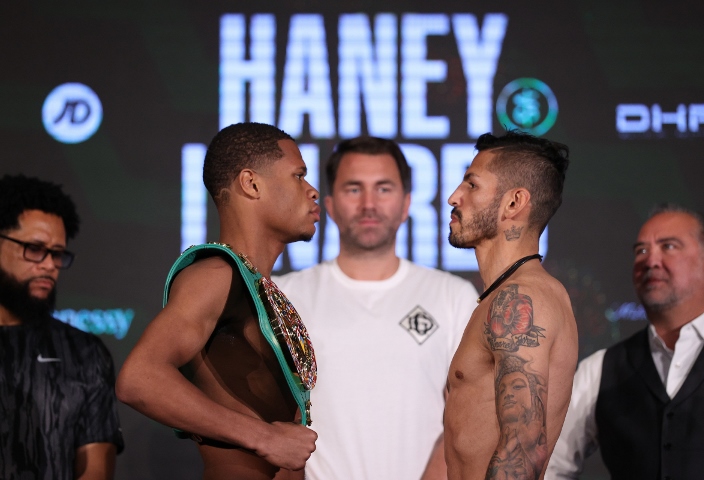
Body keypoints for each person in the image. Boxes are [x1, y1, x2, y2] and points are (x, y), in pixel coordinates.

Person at [116, 122, 320, 480]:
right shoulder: (214, 275)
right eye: (298, 176)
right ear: (251, 183)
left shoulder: (255, 286)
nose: (312, 190)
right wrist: (265, 437)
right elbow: (139, 378)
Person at [274, 136, 479, 480]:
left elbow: (472, 415)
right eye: (354, 189)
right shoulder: (286, 295)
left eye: (383, 189)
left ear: (406, 204)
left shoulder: (453, 296)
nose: (369, 203)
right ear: (329, 204)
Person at [546, 204, 704, 480]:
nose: (650, 260)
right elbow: (549, 467)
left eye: (669, 247)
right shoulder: (601, 369)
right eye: (641, 250)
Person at [443, 131, 578, 479]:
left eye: (471, 185)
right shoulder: (507, 294)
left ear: (514, 202)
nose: (453, 197)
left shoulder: (521, 298)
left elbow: (524, 450)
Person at [0, 174, 124, 480]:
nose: (49, 265)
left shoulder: (85, 354)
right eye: (35, 249)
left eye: (57, 253)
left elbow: (96, 470)